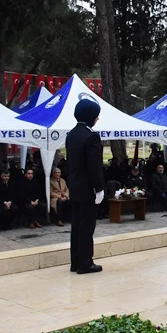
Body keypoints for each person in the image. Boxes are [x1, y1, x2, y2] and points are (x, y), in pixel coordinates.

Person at [66, 99, 105, 274]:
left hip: (74, 187)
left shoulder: (71, 135)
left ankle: (75, 261)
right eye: (96, 115)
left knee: (76, 226)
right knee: (87, 227)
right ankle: (85, 263)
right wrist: (99, 188)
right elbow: (94, 166)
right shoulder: (91, 136)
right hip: (88, 188)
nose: (97, 118)